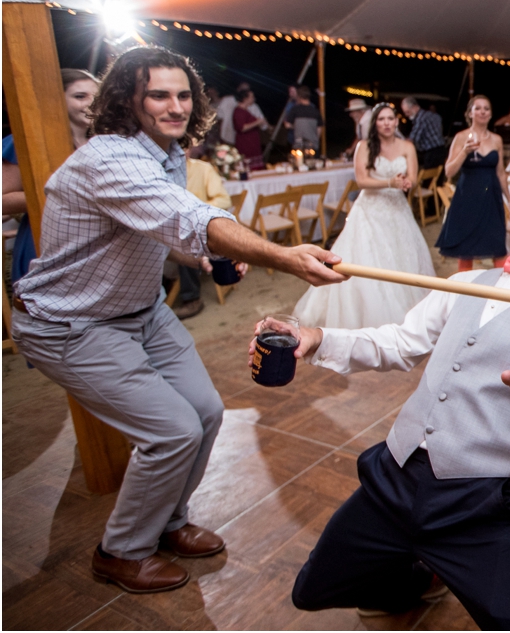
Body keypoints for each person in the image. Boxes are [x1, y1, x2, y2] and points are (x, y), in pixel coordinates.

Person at [10, 46, 346, 595]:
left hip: (142, 311)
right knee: (172, 431)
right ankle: (120, 551)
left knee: (207, 412)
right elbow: (189, 216)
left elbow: (165, 232)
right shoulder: (109, 157)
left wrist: (205, 256)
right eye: (159, 95)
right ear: (127, 99)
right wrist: (281, 255)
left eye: (184, 94)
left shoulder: (170, 155)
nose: (176, 106)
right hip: (71, 324)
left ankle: (167, 521)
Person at [270, 157, 510, 628]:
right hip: (395, 478)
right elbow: (399, 342)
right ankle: (415, 577)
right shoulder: (463, 282)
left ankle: (440, 561)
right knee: (310, 591)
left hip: (478, 503)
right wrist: (318, 339)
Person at [293, 103, 435, 329]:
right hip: (369, 210)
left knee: (401, 256)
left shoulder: (407, 146)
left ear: (397, 121)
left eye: (391, 119)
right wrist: (390, 182)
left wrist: (407, 182)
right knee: (367, 258)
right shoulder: (364, 146)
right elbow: (362, 181)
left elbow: (414, 179)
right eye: (382, 119)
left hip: (397, 209)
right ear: (375, 123)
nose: (387, 123)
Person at [3, 69, 100, 284]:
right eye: (80, 96)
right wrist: (60, 195)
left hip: (92, 250)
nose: (92, 104)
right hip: (45, 243)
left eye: (97, 97)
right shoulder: (26, 142)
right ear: (57, 100)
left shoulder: (102, 143)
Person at [437, 95, 509, 271]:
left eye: (486, 108)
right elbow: (449, 171)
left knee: (497, 245)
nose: (482, 112)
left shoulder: (496, 140)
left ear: (491, 114)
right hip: (468, 195)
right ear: (470, 113)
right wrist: (464, 152)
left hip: (491, 195)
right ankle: (464, 291)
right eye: (478, 108)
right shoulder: (461, 137)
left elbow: (500, 172)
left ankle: (501, 292)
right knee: (466, 248)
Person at [171, 149, 234, 320]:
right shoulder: (157, 171)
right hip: (166, 227)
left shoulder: (203, 169)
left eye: (183, 145)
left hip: (195, 227)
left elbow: (224, 200)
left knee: (187, 240)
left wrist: (196, 212)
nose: (178, 149)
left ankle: (191, 297)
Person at [401, 96, 447, 172]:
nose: (406, 115)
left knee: (428, 180)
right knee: (437, 180)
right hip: (442, 150)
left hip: (432, 154)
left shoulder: (420, 119)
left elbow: (412, 139)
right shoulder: (433, 115)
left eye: (407, 112)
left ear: (414, 107)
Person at [233, 87, 267, 170]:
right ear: (245, 99)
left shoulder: (246, 110)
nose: (253, 99)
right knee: (248, 167)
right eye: (251, 97)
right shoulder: (238, 112)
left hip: (252, 142)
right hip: (246, 143)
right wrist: (257, 122)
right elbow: (242, 127)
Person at [285, 85, 323, 152]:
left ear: (299, 97)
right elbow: (319, 127)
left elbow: (287, 125)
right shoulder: (315, 110)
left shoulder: (295, 110)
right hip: (312, 144)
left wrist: (297, 125)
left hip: (299, 145)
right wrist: (316, 139)